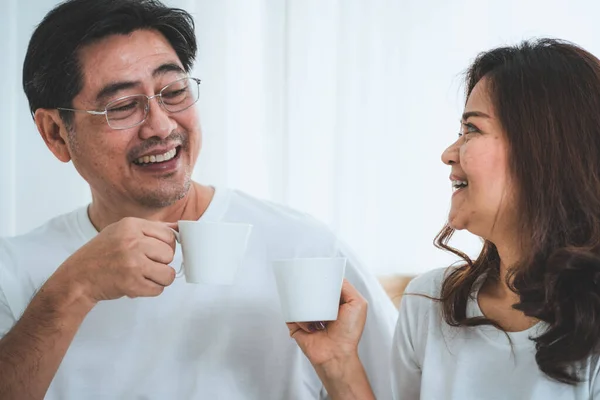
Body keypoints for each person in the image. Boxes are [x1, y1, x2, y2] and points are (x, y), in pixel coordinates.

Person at [0, 1, 397, 399]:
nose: (161, 125)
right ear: (55, 133)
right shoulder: (14, 271)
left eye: (173, 92)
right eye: (122, 107)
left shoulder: (305, 247)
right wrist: (74, 289)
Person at [289, 38, 600, 400]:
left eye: (472, 129)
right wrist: (338, 363)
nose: (448, 154)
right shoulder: (431, 303)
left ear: (545, 151)